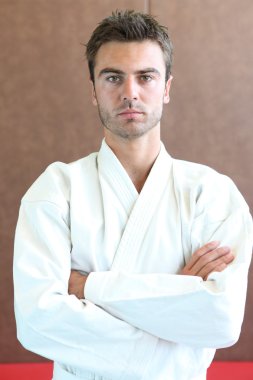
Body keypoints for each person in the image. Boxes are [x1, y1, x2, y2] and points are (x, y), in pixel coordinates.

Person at [13, 10, 252, 380]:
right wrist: (178, 308)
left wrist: (88, 286)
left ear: (167, 88)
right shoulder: (57, 190)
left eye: (146, 77)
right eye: (113, 77)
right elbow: (36, 322)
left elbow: (220, 321)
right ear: (93, 90)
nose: (130, 92)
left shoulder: (212, 194)